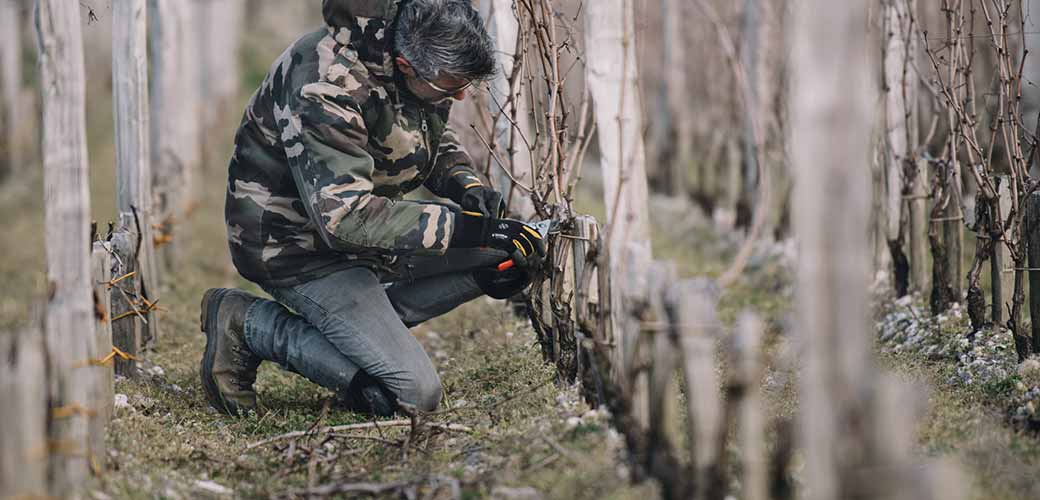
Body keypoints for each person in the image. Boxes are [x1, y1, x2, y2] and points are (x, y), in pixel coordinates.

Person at [200, 0, 546, 418]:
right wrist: (467, 228)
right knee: (410, 395)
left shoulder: (418, 60)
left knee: (502, 253)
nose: (462, 95)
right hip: (296, 249)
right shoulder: (324, 85)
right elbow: (345, 219)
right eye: (453, 88)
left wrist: (465, 185)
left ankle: (363, 327)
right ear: (405, 64)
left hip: (362, 240)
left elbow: (425, 138)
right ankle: (245, 322)